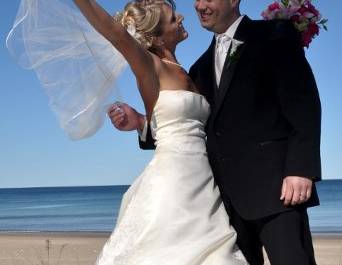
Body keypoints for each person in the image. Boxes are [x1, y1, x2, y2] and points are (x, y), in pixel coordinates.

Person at [109, 0, 322, 265]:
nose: (199, 5)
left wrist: (300, 169)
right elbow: (186, 129)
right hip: (221, 206)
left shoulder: (275, 33)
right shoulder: (198, 69)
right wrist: (141, 123)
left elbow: (304, 102)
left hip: (278, 192)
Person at [71, 0, 249, 264]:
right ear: (156, 36)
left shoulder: (192, 72)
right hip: (173, 184)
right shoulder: (149, 66)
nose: (181, 17)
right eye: (171, 18)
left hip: (204, 184)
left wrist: (142, 122)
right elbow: (114, 32)